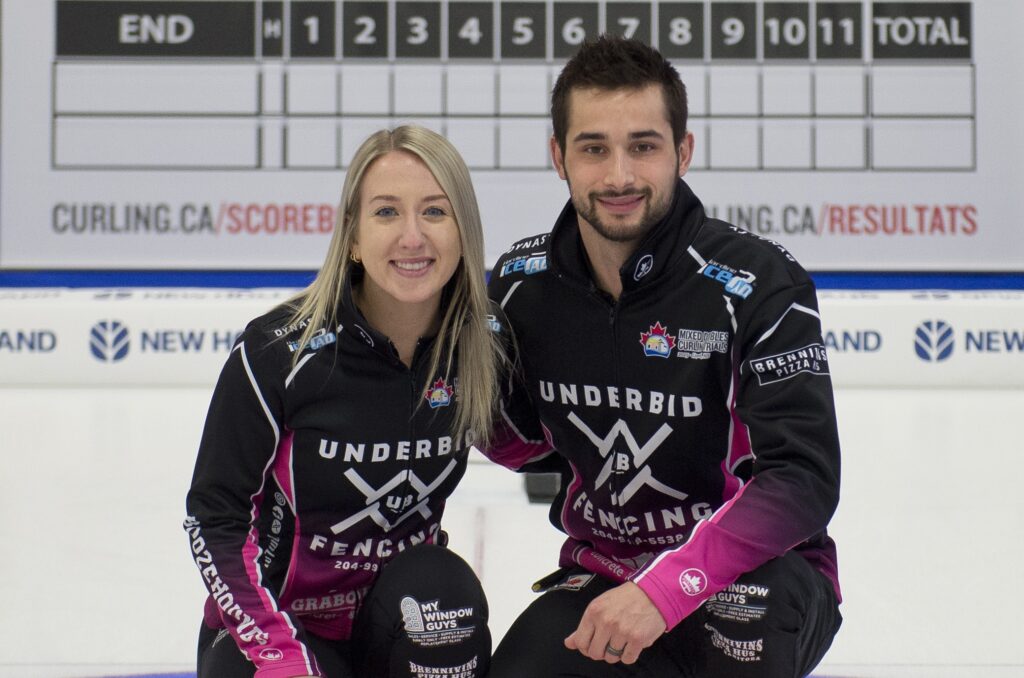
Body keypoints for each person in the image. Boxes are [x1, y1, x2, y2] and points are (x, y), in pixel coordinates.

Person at [484, 35, 842, 677]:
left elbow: (804, 481)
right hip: (606, 581)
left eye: (643, 147)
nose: (619, 175)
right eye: (594, 148)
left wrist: (664, 590)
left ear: (683, 152)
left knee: (750, 607)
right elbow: (518, 444)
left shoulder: (758, 284)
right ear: (558, 157)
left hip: (754, 577)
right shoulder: (519, 284)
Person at [183, 125, 502, 678]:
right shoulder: (279, 352)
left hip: (395, 621)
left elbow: (536, 444)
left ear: (463, 232)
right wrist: (276, 651)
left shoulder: (484, 343)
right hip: (276, 628)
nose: (412, 237)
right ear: (352, 237)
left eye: (434, 212)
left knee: (446, 595)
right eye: (385, 213)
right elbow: (215, 515)